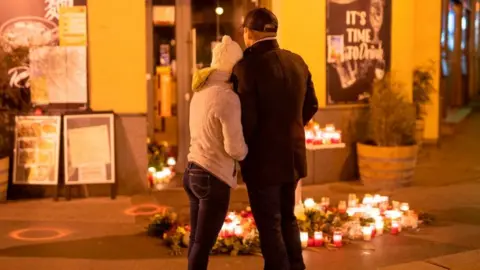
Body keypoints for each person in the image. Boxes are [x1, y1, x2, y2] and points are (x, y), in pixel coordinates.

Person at [230, 8, 318, 270]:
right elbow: (312, 105)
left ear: (248, 33)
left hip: (263, 162)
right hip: (292, 158)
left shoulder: (247, 67)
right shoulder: (297, 61)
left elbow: (247, 119)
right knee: (287, 219)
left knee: (270, 226)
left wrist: (241, 153)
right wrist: (290, 127)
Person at [184, 35, 248, 270]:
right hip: (213, 176)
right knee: (203, 245)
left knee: (196, 241)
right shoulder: (228, 97)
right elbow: (235, 149)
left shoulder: (200, 91)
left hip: (192, 171)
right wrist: (248, 151)